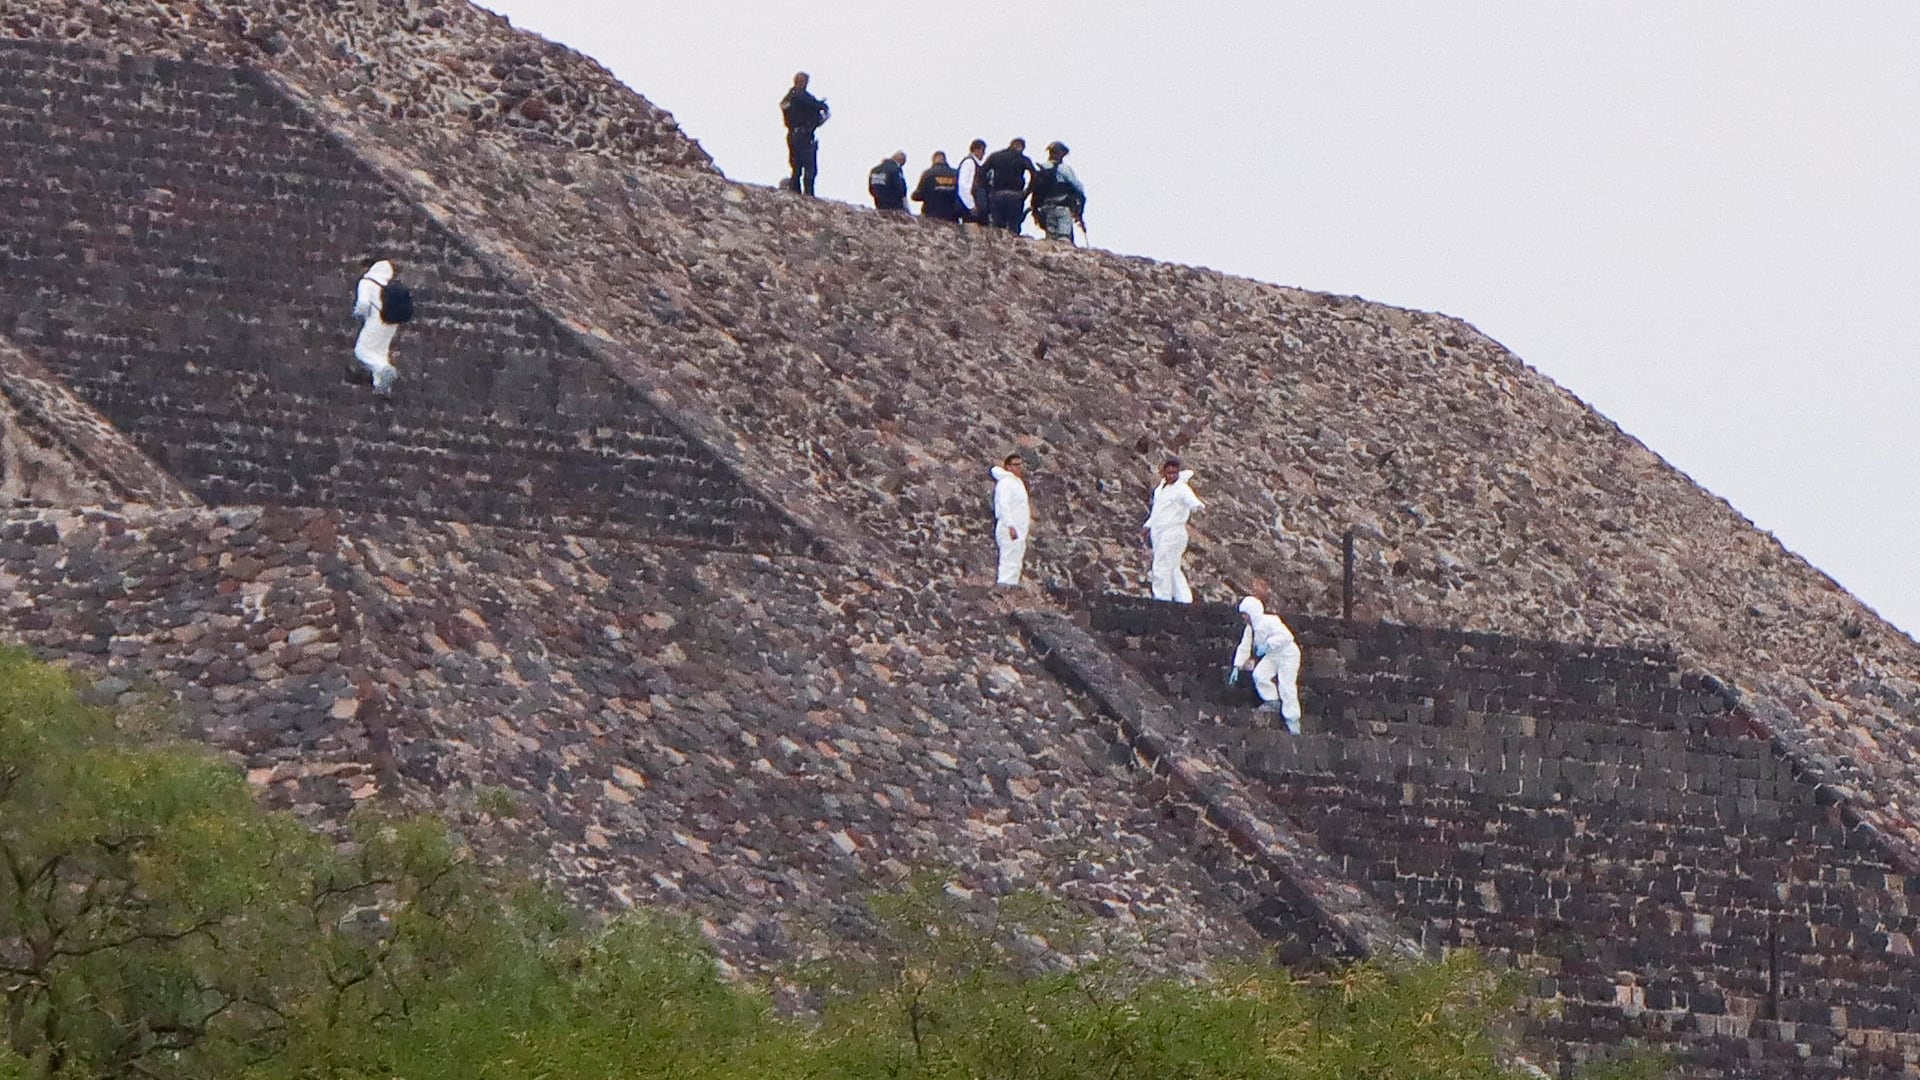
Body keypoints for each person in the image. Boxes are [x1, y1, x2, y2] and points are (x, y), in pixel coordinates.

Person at [1230, 597, 1303, 731]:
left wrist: (1268, 645)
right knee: (1259, 675)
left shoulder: (1270, 621)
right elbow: (1244, 646)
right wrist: (1237, 666)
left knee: (1286, 685)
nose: (1243, 617)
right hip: (1273, 655)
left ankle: (1292, 719)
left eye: (1245, 614)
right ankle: (1272, 701)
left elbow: (1287, 636)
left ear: (1252, 613)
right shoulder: (1250, 629)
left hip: (1287, 654)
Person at [1141, 458, 1203, 603]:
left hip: (1173, 531)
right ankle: (1184, 600)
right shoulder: (1160, 489)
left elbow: (1191, 500)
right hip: (1159, 532)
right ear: (1164, 473)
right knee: (1173, 568)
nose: (1172, 476)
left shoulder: (1181, 488)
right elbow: (1158, 511)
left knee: (1161, 566)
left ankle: (1162, 599)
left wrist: (1197, 506)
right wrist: (1148, 526)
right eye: (1169, 473)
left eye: (1174, 473)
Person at [352, 259, 403, 394]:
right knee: (380, 352)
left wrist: (358, 314)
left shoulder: (366, 282)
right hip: (391, 323)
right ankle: (381, 385)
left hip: (376, 320)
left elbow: (363, 304)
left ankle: (384, 370)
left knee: (361, 350)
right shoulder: (387, 287)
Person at [779, 72, 829, 196]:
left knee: (796, 166)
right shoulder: (800, 96)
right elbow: (813, 104)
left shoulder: (788, 98)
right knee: (808, 167)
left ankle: (795, 191)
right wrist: (822, 106)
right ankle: (808, 195)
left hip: (793, 135)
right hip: (804, 135)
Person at [1030, 141, 1086, 244]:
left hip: (1047, 208)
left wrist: (1035, 210)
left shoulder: (1042, 168)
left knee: (1051, 239)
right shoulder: (1064, 168)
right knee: (1064, 238)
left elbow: (1035, 190)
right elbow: (1078, 187)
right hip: (1062, 207)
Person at [991, 454, 1031, 586]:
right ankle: (1004, 586)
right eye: (1016, 465)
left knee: (1015, 560)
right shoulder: (1006, 483)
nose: (1019, 467)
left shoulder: (1017, 482)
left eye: (1020, 464)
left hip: (1019, 528)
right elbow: (1003, 505)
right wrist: (1010, 526)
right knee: (1008, 559)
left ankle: (1011, 586)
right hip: (1009, 528)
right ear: (1008, 467)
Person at [981, 138, 1035, 234]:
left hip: (997, 194)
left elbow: (982, 172)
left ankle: (998, 241)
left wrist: (988, 190)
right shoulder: (1023, 159)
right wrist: (1027, 192)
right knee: (1014, 226)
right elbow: (1035, 176)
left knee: (997, 227)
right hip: (1015, 195)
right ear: (1020, 147)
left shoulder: (995, 156)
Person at [911, 151, 965, 222]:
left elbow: (918, 195)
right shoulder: (956, 173)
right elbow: (963, 193)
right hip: (952, 216)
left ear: (933, 160)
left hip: (931, 216)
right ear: (945, 160)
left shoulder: (928, 174)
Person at [955, 139, 989, 224]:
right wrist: (971, 205)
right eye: (983, 151)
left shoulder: (975, 164)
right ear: (977, 150)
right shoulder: (969, 163)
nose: (984, 154)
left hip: (974, 205)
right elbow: (963, 185)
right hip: (971, 207)